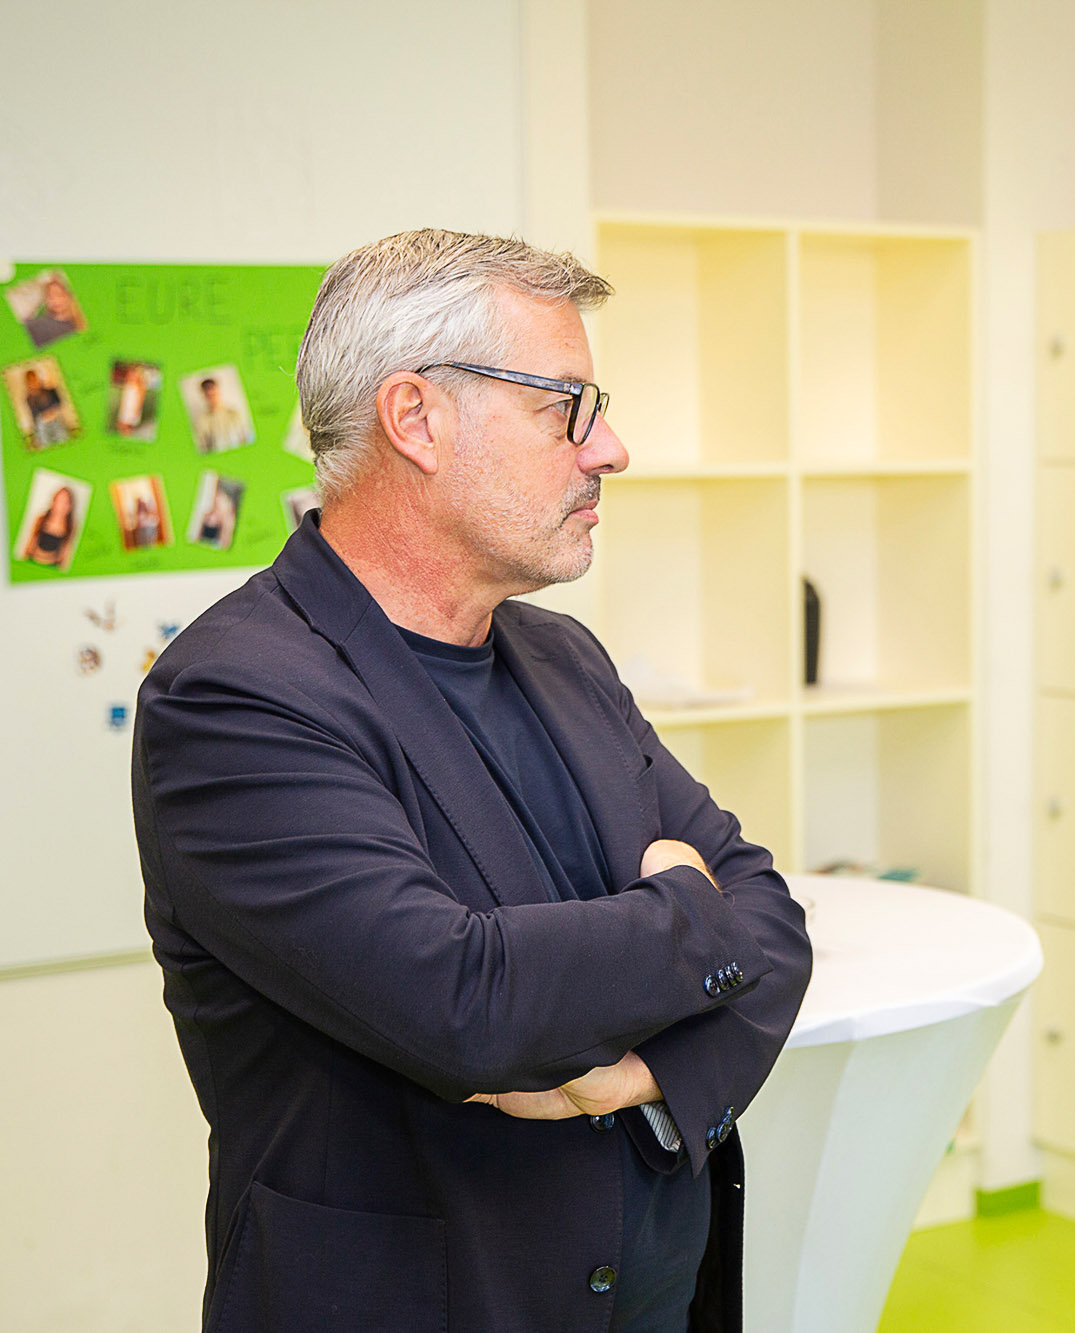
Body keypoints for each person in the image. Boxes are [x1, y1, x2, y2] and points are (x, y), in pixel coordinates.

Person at [133, 229, 812, 1332]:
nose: (610, 449)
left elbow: (772, 921)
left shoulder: (565, 657)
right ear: (416, 419)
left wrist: (635, 1076)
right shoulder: (235, 698)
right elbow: (464, 1001)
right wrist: (689, 908)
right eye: (566, 408)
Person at [191, 374, 251, 451]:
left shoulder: (234, 413)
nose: (210, 394)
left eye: (213, 390)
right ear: (204, 395)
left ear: (218, 390)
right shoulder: (202, 421)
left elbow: (246, 439)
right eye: (207, 392)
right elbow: (203, 448)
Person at [22, 484, 77, 567]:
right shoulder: (41, 519)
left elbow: (65, 553)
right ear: (53, 502)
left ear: (70, 506)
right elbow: (30, 544)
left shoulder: (70, 526)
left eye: (65, 502)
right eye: (59, 501)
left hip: (52, 566)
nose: (61, 506)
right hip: (32, 561)